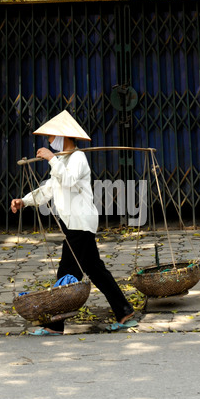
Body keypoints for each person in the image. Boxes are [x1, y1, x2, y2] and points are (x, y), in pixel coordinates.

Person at [11, 110, 137, 335]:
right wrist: (24, 201)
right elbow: (49, 188)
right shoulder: (62, 160)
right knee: (96, 271)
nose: (48, 142)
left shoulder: (77, 158)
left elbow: (68, 181)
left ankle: (55, 326)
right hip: (75, 225)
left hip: (80, 224)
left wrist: (51, 159)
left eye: (51, 137)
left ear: (63, 137)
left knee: (66, 273)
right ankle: (125, 312)